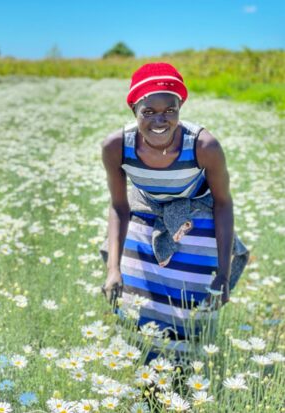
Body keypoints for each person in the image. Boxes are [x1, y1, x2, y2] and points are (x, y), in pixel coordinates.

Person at [101, 63, 248, 360]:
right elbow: (119, 206)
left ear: (180, 107)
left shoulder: (203, 145)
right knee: (136, 301)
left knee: (194, 304)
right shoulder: (116, 146)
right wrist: (113, 268)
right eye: (149, 111)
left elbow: (223, 202)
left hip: (198, 215)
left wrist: (223, 270)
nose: (160, 119)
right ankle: (144, 372)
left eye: (170, 110)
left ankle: (187, 374)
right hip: (145, 212)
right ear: (134, 111)